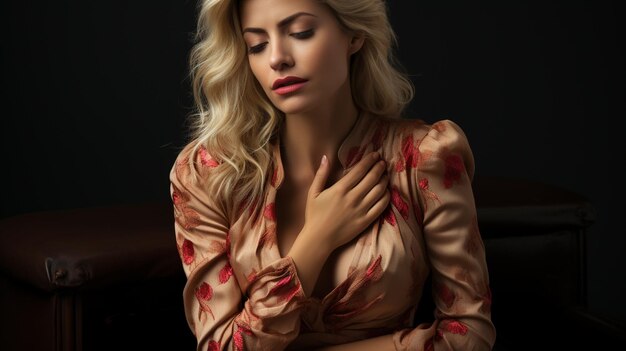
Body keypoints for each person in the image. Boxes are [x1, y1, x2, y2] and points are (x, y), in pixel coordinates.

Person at [169, 0, 496, 350]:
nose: (277, 58)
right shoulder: (208, 174)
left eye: (301, 32)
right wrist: (317, 239)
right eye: (257, 45)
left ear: (354, 34)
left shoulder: (423, 158)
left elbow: (469, 335)